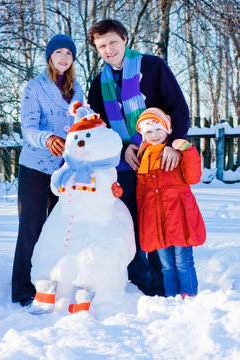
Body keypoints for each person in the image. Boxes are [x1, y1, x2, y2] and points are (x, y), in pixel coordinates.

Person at [87, 19, 190, 296]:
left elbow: (178, 108)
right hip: (125, 165)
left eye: (113, 42)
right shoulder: (99, 84)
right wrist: (122, 148)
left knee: (159, 220)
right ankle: (137, 283)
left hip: (159, 161)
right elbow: (100, 128)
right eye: (102, 46)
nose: (109, 50)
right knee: (129, 222)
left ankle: (161, 285)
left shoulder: (153, 67)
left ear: (124, 39)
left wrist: (175, 147)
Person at [12, 34, 84, 307]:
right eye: (58, 52)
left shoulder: (77, 90)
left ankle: (51, 283)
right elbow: (28, 128)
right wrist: (47, 139)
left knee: (58, 229)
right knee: (31, 227)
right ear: (50, 56)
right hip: (35, 166)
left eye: (69, 53)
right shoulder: (34, 87)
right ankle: (22, 289)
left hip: (64, 169)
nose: (64, 57)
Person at [135, 107, 206, 298]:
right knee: (166, 266)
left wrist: (188, 151)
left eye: (158, 129)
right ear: (143, 135)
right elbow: (141, 194)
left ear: (167, 129)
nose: (154, 134)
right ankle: (172, 298)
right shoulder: (144, 157)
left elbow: (193, 177)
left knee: (183, 262)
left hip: (179, 216)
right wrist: (144, 219)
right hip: (156, 220)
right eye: (148, 131)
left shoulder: (177, 151)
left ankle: (189, 296)